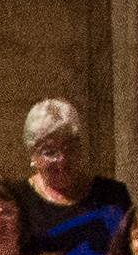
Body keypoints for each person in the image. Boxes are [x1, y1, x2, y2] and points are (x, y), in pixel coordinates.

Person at [13, 97, 131, 233]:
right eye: (50, 152)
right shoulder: (17, 200)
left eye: (70, 149)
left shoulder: (113, 194)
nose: (62, 160)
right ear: (33, 155)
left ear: (80, 148)